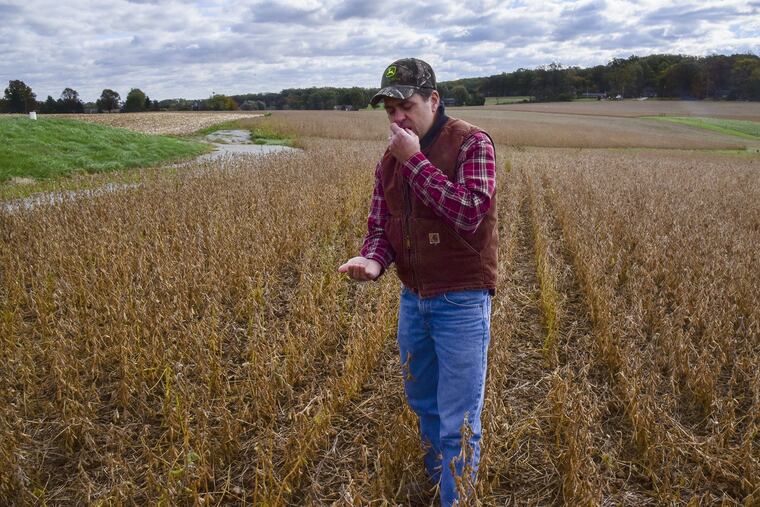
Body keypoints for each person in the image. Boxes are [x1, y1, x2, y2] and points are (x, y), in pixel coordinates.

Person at [338, 58, 498, 506]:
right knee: (425, 408)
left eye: (405, 105)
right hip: (414, 300)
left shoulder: (471, 144)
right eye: (390, 111)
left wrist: (415, 161)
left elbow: (469, 213)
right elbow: (381, 225)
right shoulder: (388, 162)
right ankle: (439, 487)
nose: (397, 118)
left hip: (462, 302)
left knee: (459, 422)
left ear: (433, 99)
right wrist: (373, 260)